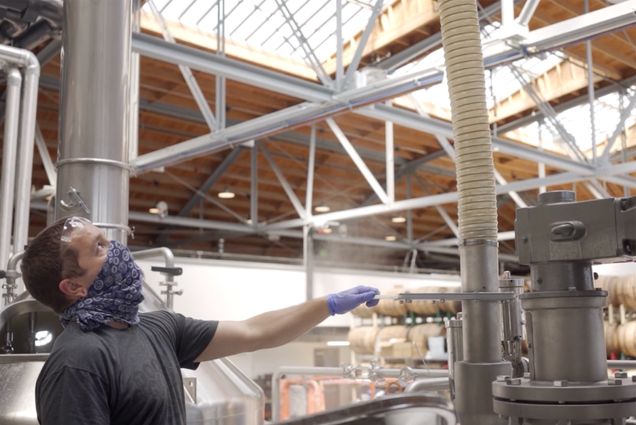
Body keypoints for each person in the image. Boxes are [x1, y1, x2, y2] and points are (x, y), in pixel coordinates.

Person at [20, 217, 380, 425]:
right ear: (72, 287)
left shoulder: (157, 328)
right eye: (99, 247)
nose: (115, 248)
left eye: (107, 239)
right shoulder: (78, 362)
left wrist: (328, 305)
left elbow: (257, 331)